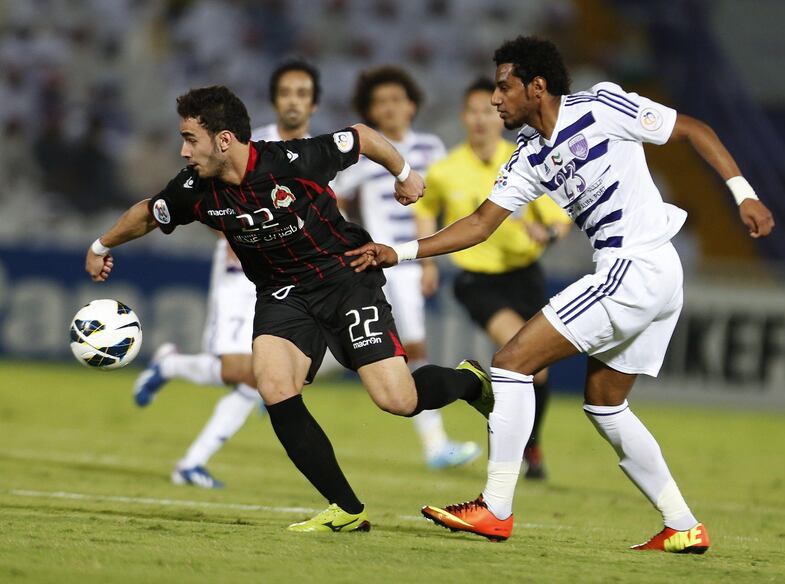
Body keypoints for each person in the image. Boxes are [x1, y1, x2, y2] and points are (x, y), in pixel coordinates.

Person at [347, 36, 774, 549]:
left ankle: (495, 508)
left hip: (635, 265)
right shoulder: (528, 156)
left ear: (538, 86)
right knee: (605, 404)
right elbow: (482, 224)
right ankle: (683, 525)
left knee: (509, 363)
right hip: (650, 275)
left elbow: (692, 130)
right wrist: (402, 252)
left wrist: (744, 195)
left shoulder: (601, 105)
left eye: (504, 87)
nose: (495, 100)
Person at [86, 85, 493, 533]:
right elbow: (149, 212)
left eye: (190, 138)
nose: (183, 151)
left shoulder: (291, 161)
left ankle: (469, 381)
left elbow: (359, 136)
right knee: (275, 385)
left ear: (223, 140)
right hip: (282, 293)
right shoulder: (195, 190)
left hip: (345, 280)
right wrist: (101, 244)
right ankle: (346, 507)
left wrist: (405, 173)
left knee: (397, 400)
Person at [132, 61, 324, 489]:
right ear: (275, 100)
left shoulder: (315, 151)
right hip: (244, 273)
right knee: (248, 373)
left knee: (264, 379)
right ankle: (173, 366)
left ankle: (191, 463)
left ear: (314, 101)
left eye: (303, 92)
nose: (294, 99)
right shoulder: (250, 144)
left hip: (295, 275)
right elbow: (209, 200)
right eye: (287, 92)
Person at [417, 77, 571, 479]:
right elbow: (425, 208)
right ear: (463, 116)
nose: (481, 118)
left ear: (498, 113)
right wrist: (428, 262)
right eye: (473, 111)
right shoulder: (446, 169)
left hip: (526, 275)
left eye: (488, 110)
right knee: (520, 353)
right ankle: (499, 432)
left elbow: (559, 220)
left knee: (538, 370)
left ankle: (530, 447)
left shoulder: (525, 160)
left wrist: (548, 233)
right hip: (477, 281)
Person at [334, 66, 481, 470]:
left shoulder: (432, 148)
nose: (390, 108)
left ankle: (291, 377)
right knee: (413, 347)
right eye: (381, 102)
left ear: (412, 105)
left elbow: (440, 204)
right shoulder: (365, 156)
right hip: (383, 263)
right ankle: (435, 444)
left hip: (415, 260)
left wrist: (430, 261)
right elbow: (333, 196)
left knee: (383, 345)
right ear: (372, 111)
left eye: (397, 99)